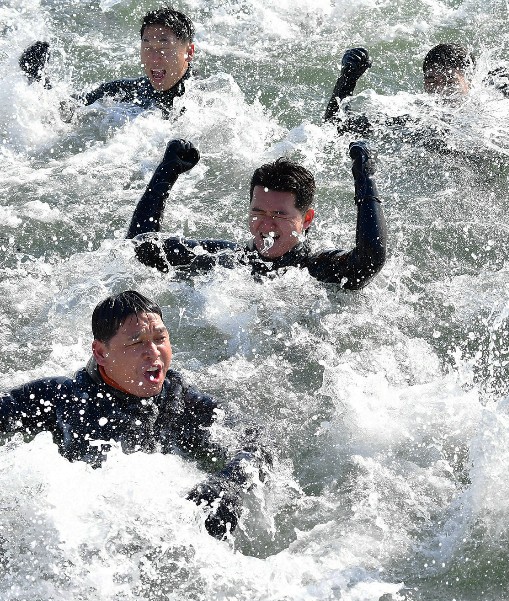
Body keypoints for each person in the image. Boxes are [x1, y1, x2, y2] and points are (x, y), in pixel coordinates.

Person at [0, 291, 271, 538]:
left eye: (160, 339)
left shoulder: (178, 397)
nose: (153, 353)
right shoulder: (61, 398)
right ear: (101, 353)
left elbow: (255, 440)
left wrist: (227, 483)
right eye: (136, 343)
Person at [126, 139, 387, 289]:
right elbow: (142, 248)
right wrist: (166, 173)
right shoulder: (226, 260)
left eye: (279, 214)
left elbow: (369, 261)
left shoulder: (317, 268)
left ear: (306, 220)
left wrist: (366, 178)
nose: (266, 224)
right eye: (258, 211)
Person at [321, 43, 509, 153]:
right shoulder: (415, 118)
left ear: (471, 81)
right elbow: (335, 129)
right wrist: (347, 79)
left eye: (449, 81)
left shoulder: (497, 115)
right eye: (431, 82)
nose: (439, 91)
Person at [19, 7, 195, 120]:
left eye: (164, 47)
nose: (154, 58)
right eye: (147, 47)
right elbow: (67, 112)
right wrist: (38, 85)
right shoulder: (129, 91)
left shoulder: (200, 103)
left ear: (189, 52)